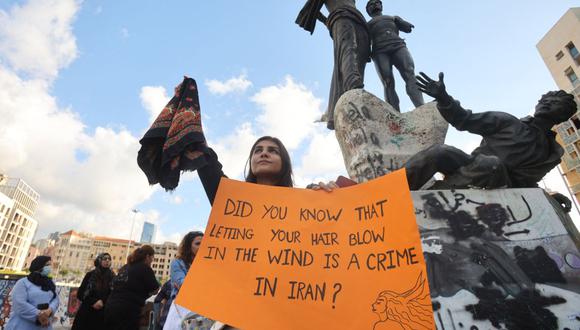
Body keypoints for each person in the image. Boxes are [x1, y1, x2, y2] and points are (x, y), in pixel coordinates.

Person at [405, 72, 577, 190]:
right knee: (440, 152)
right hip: (473, 167)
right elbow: (464, 119)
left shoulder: (550, 153)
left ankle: (435, 196)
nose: (546, 103)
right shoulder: (507, 121)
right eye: (544, 100)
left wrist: (552, 197)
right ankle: (387, 194)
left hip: (501, 184)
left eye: (554, 102)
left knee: (492, 165)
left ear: (562, 114)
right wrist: (443, 98)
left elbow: (528, 182)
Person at [296, 0, 370, 130]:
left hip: (359, 20)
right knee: (348, 48)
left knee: (362, 55)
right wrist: (327, 20)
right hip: (340, 16)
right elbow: (307, 11)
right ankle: (352, 83)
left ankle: (354, 87)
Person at [199, 136, 294, 205]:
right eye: (258, 151)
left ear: (284, 162)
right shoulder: (229, 197)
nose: (264, 153)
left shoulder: (302, 206)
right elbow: (203, 156)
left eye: (273, 151)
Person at [366, 0, 424, 112]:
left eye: (377, 2)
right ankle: (394, 113)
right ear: (368, 10)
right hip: (379, 50)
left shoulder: (393, 18)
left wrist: (403, 23)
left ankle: (421, 106)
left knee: (409, 73)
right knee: (387, 81)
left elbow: (407, 28)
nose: (375, 5)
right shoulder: (367, 25)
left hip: (398, 46)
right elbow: (364, 41)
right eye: (371, 4)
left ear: (381, 5)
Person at [104, 245, 160, 330]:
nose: (152, 260)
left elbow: (113, 284)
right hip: (128, 311)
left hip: (110, 307)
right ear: (148, 256)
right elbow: (156, 289)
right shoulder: (145, 268)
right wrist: (146, 294)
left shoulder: (125, 267)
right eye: (153, 258)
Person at [163, 231, 205, 330]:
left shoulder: (208, 265)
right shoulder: (177, 263)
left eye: (204, 244)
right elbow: (183, 285)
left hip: (202, 310)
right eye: (198, 244)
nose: (201, 247)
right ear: (188, 246)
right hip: (182, 309)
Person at [6, 256, 59, 330]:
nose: (49, 267)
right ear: (39, 265)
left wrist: (50, 310)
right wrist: (39, 314)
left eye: (50, 265)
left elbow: (56, 299)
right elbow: (19, 303)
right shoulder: (23, 282)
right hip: (22, 325)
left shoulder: (50, 283)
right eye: (47, 265)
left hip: (44, 325)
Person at [72, 253, 114, 330]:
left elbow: (113, 295)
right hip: (87, 312)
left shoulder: (113, 277)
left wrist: (103, 302)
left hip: (102, 315)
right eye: (105, 258)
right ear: (99, 260)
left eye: (109, 259)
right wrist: (93, 302)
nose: (108, 260)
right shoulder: (90, 275)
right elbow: (80, 293)